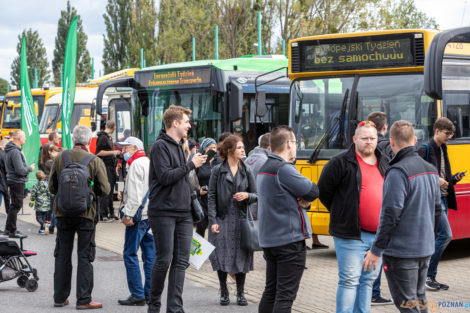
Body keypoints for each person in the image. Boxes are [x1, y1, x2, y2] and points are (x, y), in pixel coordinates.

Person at [363, 120, 442, 313]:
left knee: (407, 303)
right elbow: (438, 209)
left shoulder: (397, 172)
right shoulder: (431, 170)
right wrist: (429, 238)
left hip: (401, 253)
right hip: (425, 248)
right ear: (414, 140)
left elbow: (390, 214)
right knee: (419, 298)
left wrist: (376, 249)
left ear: (391, 142)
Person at [318, 121, 389, 313]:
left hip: (377, 236)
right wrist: (342, 212)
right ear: (354, 139)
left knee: (367, 281)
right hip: (350, 235)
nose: (369, 142)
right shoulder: (339, 162)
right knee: (349, 280)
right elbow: (324, 191)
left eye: (372, 138)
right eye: (364, 138)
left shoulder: (384, 161)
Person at [147, 105, 207, 313]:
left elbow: (182, 178)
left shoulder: (181, 146)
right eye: (186, 122)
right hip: (163, 211)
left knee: (182, 261)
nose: (189, 125)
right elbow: (165, 177)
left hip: (183, 212)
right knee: (164, 259)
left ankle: (175, 308)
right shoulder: (160, 147)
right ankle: (154, 305)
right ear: (175, 123)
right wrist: (191, 164)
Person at [257, 126, 319, 313]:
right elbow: (313, 190)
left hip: (270, 239)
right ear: (288, 144)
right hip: (289, 240)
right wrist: (304, 198)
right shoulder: (283, 169)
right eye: (296, 143)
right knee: (285, 297)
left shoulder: (264, 167)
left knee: (271, 291)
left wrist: (301, 199)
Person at [49, 125, 110, 309]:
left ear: (74, 139)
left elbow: (52, 187)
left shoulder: (61, 157)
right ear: (89, 141)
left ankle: (60, 298)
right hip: (87, 214)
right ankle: (83, 300)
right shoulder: (94, 160)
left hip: (63, 213)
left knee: (62, 255)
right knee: (85, 256)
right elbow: (105, 189)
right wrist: (90, 193)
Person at [208, 134, 257, 306]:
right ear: (230, 150)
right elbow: (212, 197)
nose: (243, 150)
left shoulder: (247, 170)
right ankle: (223, 290)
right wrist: (213, 220)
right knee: (221, 255)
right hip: (222, 218)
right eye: (239, 148)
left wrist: (247, 195)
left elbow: (257, 195)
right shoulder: (217, 170)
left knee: (241, 256)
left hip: (241, 219)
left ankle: (241, 293)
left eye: (243, 147)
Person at [417, 117, 464, 291]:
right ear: (437, 131)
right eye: (447, 133)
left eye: (451, 134)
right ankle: (428, 275)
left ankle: (425, 276)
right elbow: (414, 171)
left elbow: (443, 177)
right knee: (445, 235)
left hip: (443, 197)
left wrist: (453, 180)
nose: (449, 137)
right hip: (432, 200)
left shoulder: (443, 148)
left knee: (433, 238)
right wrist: (435, 180)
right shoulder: (425, 149)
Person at [117, 136, 156, 306]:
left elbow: (134, 194)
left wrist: (128, 215)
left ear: (134, 147)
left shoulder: (135, 164)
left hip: (137, 217)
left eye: (126, 148)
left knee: (130, 254)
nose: (123, 151)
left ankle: (137, 294)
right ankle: (149, 292)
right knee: (150, 256)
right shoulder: (149, 162)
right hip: (151, 215)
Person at [367, 111, 393, 305]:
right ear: (384, 128)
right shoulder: (387, 148)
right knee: (378, 251)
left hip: (371, 204)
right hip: (383, 203)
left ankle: (370, 291)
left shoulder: (363, 149)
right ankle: (374, 292)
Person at [4, 130, 35, 239]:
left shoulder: (12, 150)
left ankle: (8, 229)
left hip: (14, 180)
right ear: (18, 138)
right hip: (17, 181)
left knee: (14, 205)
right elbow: (20, 170)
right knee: (16, 205)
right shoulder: (15, 151)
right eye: (24, 136)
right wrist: (30, 169)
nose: (25, 138)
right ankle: (12, 230)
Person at [96, 120, 120, 222]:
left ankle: (111, 212)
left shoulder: (107, 137)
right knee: (106, 190)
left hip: (110, 167)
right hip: (106, 167)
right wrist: (113, 152)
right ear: (114, 128)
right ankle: (103, 214)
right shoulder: (103, 138)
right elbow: (99, 152)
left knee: (110, 191)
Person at [195, 137, 219, 237]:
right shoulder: (199, 161)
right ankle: (197, 252)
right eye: (210, 147)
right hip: (202, 200)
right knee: (200, 228)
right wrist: (198, 191)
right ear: (204, 148)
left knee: (216, 229)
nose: (213, 150)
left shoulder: (220, 161)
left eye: (215, 147)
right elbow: (192, 180)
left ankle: (215, 252)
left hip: (216, 201)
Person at [244, 133, 270, 221]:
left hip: (247, 207)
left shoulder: (247, 160)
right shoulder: (267, 162)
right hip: (261, 210)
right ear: (270, 148)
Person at [42, 143, 61, 234]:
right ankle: (51, 224)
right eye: (56, 151)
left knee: (53, 207)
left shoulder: (50, 161)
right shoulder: (50, 162)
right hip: (53, 186)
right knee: (53, 207)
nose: (57, 153)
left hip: (53, 186)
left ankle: (50, 225)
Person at [0, 139, 11, 233]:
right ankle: (9, 228)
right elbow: (7, 170)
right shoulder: (3, 155)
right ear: (4, 146)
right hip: (2, 183)